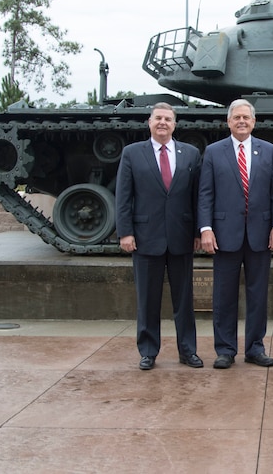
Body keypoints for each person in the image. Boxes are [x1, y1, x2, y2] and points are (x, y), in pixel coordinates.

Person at [198, 99, 273, 369]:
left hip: (260, 234)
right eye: (236, 117)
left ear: (254, 121)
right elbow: (205, 193)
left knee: (258, 295)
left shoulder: (268, 150)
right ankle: (225, 349)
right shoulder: (214, 152)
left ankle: (255, 348)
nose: (241, 121)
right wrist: (206, 229)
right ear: (228, 121)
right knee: (224, 295)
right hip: (224, 235)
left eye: (246, 117)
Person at [115, 102, 203, 370]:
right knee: (147, 300)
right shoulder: (132, 153)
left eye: (168, 118)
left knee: (184, 301)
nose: (163, 122)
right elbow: (124, 195)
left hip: (181, 236)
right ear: (149, 122)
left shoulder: (190, 153)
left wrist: (199, 231)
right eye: (158, 118)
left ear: (175, 124)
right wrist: (125, 232)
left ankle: (187, 350)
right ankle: (148, 351)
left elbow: (197, 196)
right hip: (145, 237)